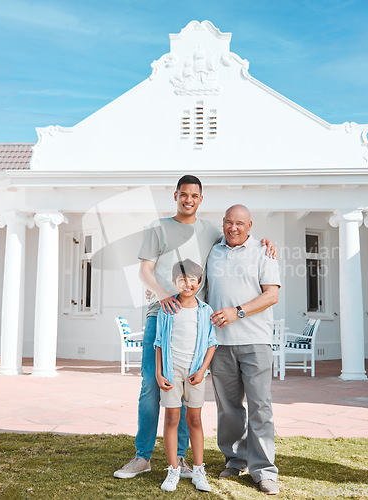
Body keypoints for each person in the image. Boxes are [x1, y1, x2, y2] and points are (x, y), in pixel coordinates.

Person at [114, 175, 276, 479]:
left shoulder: (213, 231)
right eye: (183, 195)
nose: (188, 200)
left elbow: (238, 238)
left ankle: (181, 458)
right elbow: (144, 271)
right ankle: (142, 456)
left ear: (201, 199)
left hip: (196, 322)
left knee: (190, 387)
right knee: (151, 385)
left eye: (194, 196)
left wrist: (266, 243)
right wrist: (162, 295)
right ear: (176, 195)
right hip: (160, 316)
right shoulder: (157, 227)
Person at [207, 204, 281, 496]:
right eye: (228, 222)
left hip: (256, 342)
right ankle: (235, 460)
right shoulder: (213, 251)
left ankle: (263, 471)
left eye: (239, 223)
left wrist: (237, 312)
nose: (233, 228)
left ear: (250, 226)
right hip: (221, 343)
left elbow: (271, 295)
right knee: (228, 409)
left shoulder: (264, 251)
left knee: (260, 406)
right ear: (222, 224)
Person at [154, 259, 217, 492]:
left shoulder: (205, 310)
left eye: (192, 279)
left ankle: (199, 470)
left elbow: (212, 343)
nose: (187, 283)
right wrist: (160, 373)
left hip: (195, 374)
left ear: (199, 282)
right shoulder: (167, 309)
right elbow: (159, 343)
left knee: (195, 420)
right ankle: (173, 471)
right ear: (174, 282)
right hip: (171, 372)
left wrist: (202, 371)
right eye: (182, 279)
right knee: (171, 419)